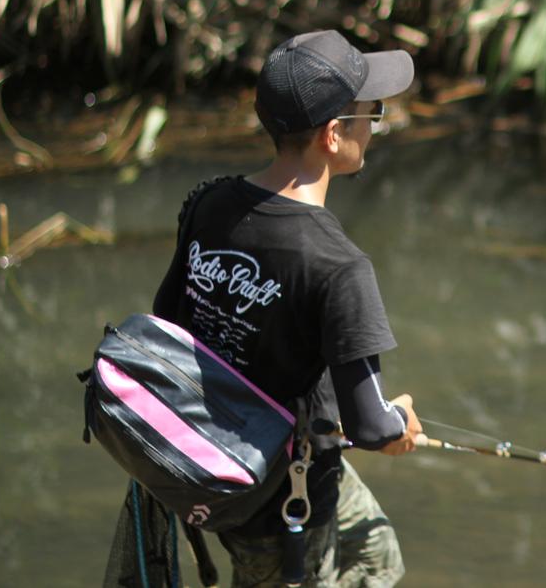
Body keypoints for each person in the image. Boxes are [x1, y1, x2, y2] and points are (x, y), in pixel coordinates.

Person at [151, 29, 423, 588]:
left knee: (377, 555)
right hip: (274, 498)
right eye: (371, 115)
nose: (375, 126)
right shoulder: (339, 266)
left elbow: (167, 323)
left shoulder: (210, 204)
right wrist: (400, 421)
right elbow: (370, 425)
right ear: (332, 134)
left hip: (219, 457)